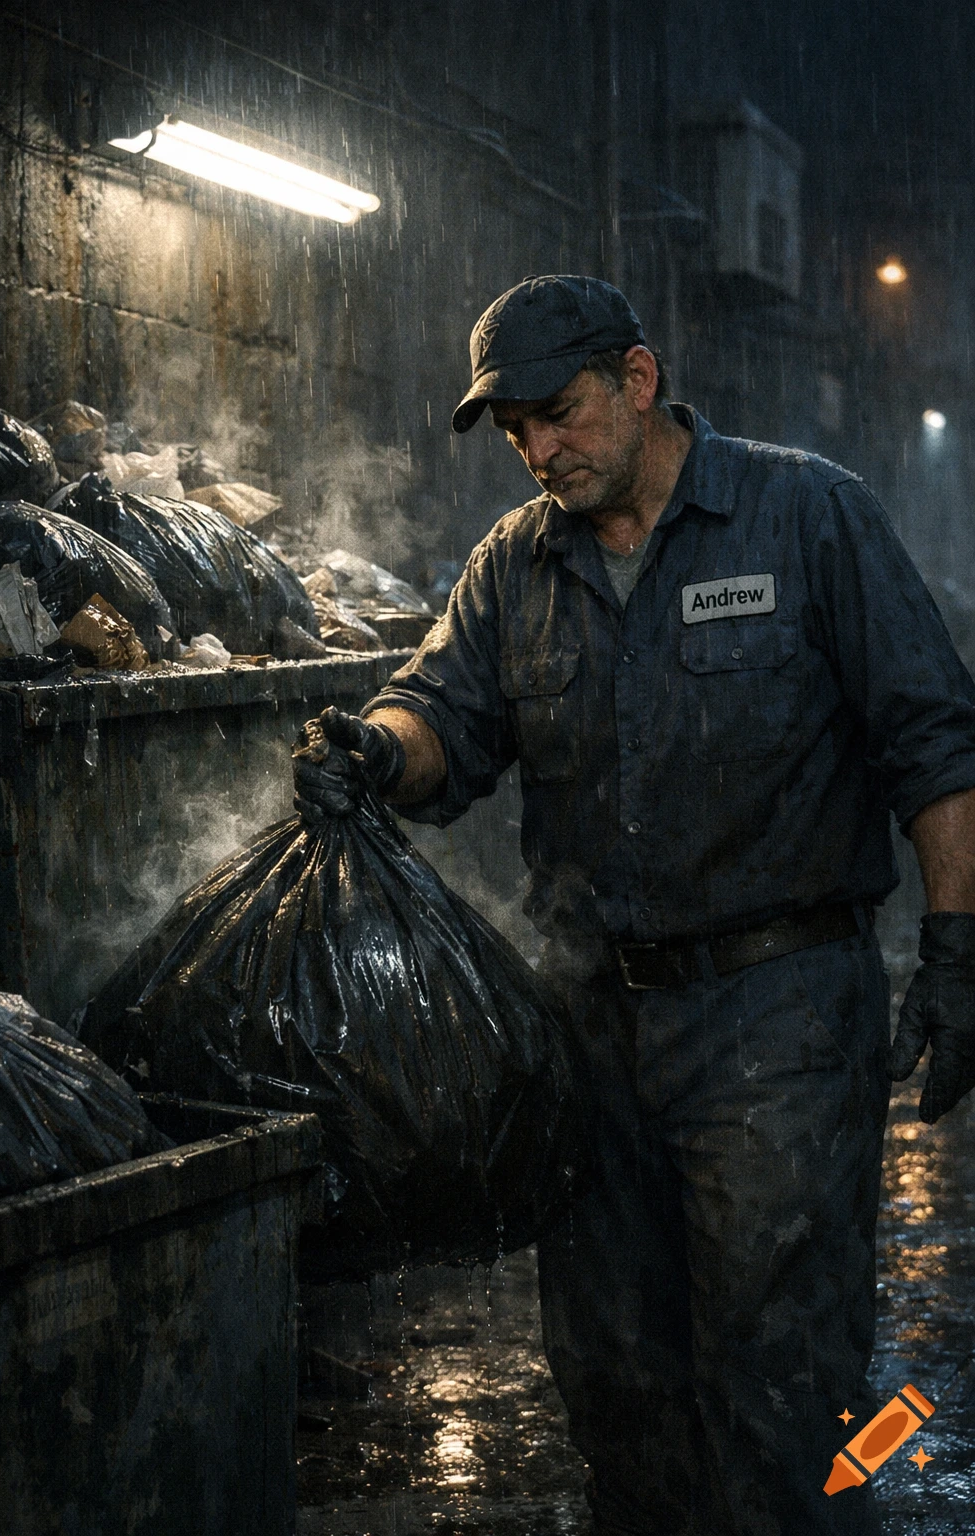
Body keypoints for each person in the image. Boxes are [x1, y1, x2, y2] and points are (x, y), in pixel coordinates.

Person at [293, 274, 975, 1535]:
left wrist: (956, 946)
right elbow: (441, 712)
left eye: (558, 413)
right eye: (515, 431)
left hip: (779, 1021)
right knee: (615, 1384)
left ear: (639, 380)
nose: (538, 450)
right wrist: (378, 750)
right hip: (594, 1031)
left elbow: (936, 743)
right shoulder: (517, 564)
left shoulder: (805, 515)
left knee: (780, 1387)